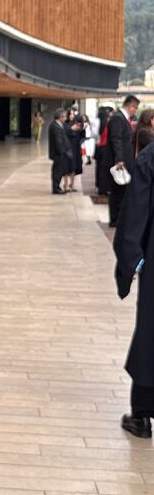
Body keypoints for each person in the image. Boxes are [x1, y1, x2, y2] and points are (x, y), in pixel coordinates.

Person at [113, 139, 154, 438]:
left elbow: (135, 211)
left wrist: (133, 261)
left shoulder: (151, 157)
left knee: (151, 335)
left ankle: (141, 416)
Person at [107, 95, 140, 228]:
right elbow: (116, 139)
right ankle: (115, 219)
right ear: (131, 106)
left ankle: (119, 217)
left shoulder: (122, 118)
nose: (135, 111)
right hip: (121, 162)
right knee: (118, 191)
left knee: (122, 191)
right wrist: (119, 159)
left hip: (126, 160)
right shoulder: (118, 118)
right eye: (135, 108)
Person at [48, 108, 70, 194]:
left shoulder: (59, 125)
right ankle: (55, 188)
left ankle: (57, 187)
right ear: (60, 117)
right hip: (58, 154)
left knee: (59, 171)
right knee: (57, 171)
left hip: (60, 153)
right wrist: (62, 152)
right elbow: (58, 141)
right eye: (64, 117)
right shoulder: (55, 126)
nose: (65, 119)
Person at [94, 105, 114, 196]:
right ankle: (104, 188)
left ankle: (99, 186)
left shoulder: (97, 121)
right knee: (105, 168)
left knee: (99, 167)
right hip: (106, 148)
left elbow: (94, 134)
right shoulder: (108, 122)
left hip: (99, 147)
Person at [65, 112, 85, 192]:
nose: (71, 116)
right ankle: (65, 185)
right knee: (66, 167)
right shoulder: (66, 124)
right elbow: (65, 134)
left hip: (76, 148)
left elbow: (82, 136)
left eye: (73, 114)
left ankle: (71, 185)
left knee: (74, 166)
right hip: (68, 148)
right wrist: (71, 129)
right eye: (70, 114)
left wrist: (82, 129)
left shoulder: (78, 124)